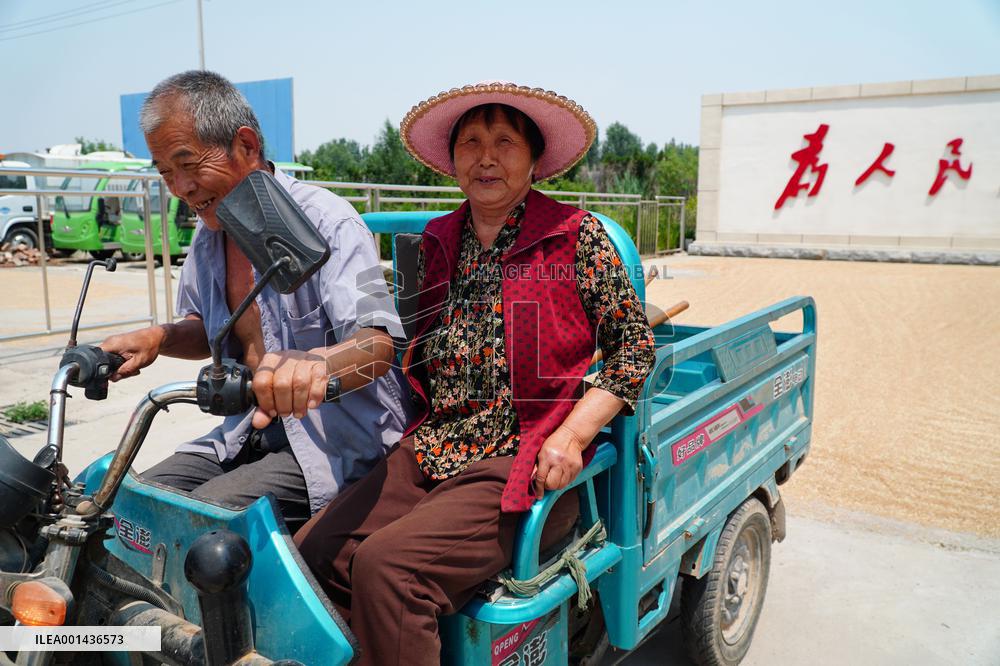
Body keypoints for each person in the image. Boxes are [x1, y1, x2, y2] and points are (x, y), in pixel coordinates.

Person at [294, 82, 656, 665]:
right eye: (471, 143)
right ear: (454, 158)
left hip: (523, 458)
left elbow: (633, 348)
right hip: (438, 444)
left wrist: (572, 434)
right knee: (312, 553)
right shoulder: (434, 241)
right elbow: (398, 343)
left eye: (505, 142)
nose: (486, 157)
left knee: (391, 569)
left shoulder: (577, 238)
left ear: (535, 159)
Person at [100, 70, 412, 531]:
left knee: (196, 527)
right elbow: (208, 329)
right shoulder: (211, 235)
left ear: (246, 146)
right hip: (242, 432)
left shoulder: (329, 222)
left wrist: (319, 366)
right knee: (125, 506)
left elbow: (378, 346)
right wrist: (156, 338)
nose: (181, 187)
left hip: (338, 442)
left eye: (188, 164)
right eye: (166, 172)